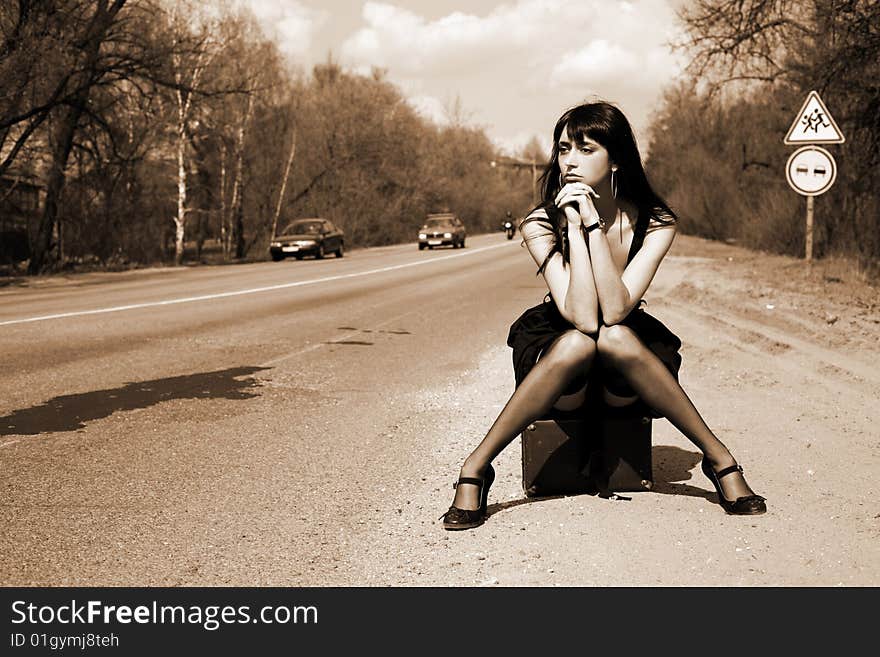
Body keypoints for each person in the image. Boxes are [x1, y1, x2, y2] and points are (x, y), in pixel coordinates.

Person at [441, 101, 766, 530]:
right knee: (581, 341)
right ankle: (477, 466)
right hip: (561, 355)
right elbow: (581, 317)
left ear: (616, 159)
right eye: (562, 149)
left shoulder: (655, 221)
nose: (569, 160)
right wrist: (574, 227)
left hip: (626, 358)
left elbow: (614, 311)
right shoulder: (540, 222)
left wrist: (595, 225)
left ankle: (719, 458)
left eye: (585, 148)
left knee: (613, 336)